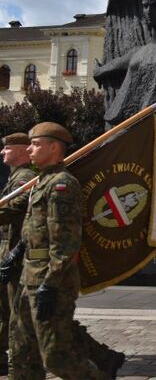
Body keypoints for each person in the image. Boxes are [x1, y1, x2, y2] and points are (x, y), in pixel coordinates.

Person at [9, 123, 113, 378]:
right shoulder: (41, 181)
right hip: (28, 276)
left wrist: (50, 284)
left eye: (35, 144)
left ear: (53, 147)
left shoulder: (62, 185)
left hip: (50, 279)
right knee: (22, 352)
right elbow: (35, 228)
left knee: (57, 357)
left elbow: (65, 243)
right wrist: (17, 253)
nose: (30, 149)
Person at [0, 133, 37, 374]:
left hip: (19, 254)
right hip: (9, 252)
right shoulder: (17, 177)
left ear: (23, 151)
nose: (3, 152)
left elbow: (12, 209)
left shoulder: (27, 178)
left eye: (8, 148)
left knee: (16, 312)